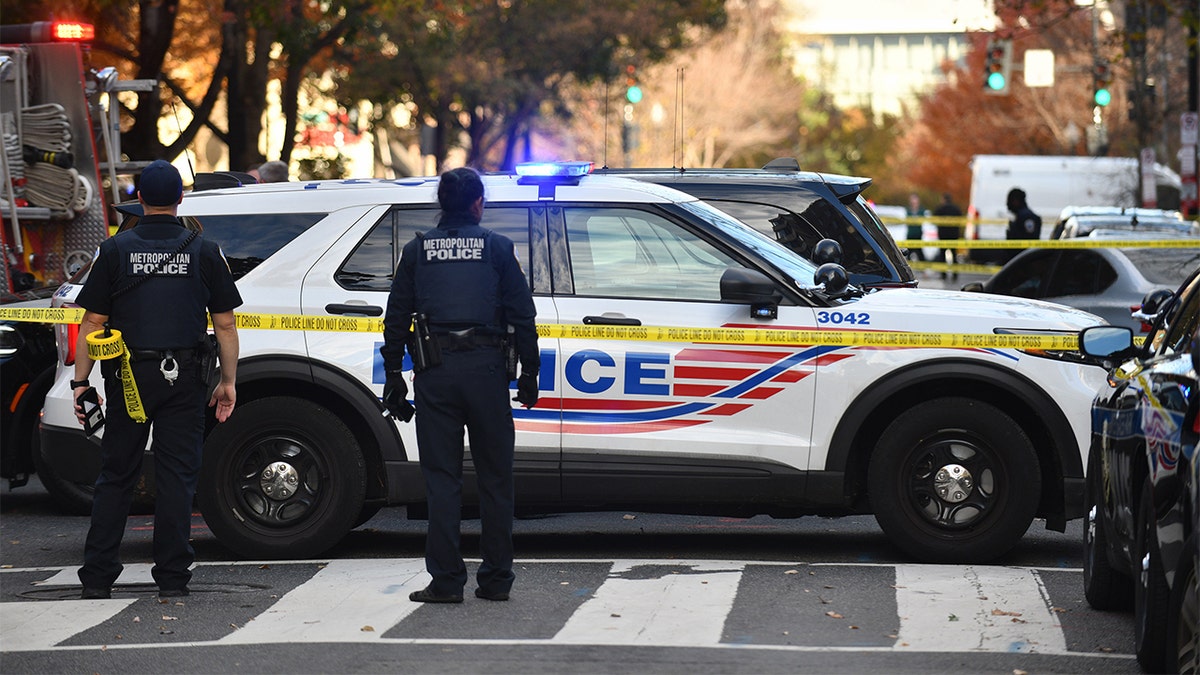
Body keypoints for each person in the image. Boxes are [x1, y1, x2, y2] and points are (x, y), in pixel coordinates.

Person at [72, 160, 242, 600]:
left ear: (140, 199)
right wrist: (228, 381)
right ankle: (172, 578)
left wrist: (80, 382)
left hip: (128, 376)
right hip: (183, 378)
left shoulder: (114, 250)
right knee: (176, 477)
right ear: (181, 199)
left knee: (117, 474)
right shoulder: (204, 250)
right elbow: (224, 325)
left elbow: (92, 320)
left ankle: (97, 578)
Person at [380, 166, 539, 604]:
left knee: (442, 479)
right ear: (477, 204)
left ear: (441, 204)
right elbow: (523, 316)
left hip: (437, 374)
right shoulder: (498, 249)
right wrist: (529, 373)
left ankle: (447, 581)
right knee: (495, 479)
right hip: (488, 373)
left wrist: (394, 374)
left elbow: (396, 318)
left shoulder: (418, 251)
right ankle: (496, 581)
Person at [1005, 187, 1042, 262]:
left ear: (1016, 201)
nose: (1007, 204)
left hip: (1024, 261)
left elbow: (1029, 240)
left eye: (1010, 201)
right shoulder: (1020, 216)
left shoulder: (1026, 217)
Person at [932, 192, 963, 279]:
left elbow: (933, 219)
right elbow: (961, 220)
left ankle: (943, 275)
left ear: (943, 199)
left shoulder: (940, 209)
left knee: (942, 256)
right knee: (954, 255)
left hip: (943, 236)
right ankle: (955, 275)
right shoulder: (956, 209)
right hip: (954, 236)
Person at [904, 192, 926, 262]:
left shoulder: (921, 210)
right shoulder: (908, 210)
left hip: (918, 235)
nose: (913, 202)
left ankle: (924, 271)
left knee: (920, 253)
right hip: (910, 235)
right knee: (908, 253)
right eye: (912, 200)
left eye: (915, 199)